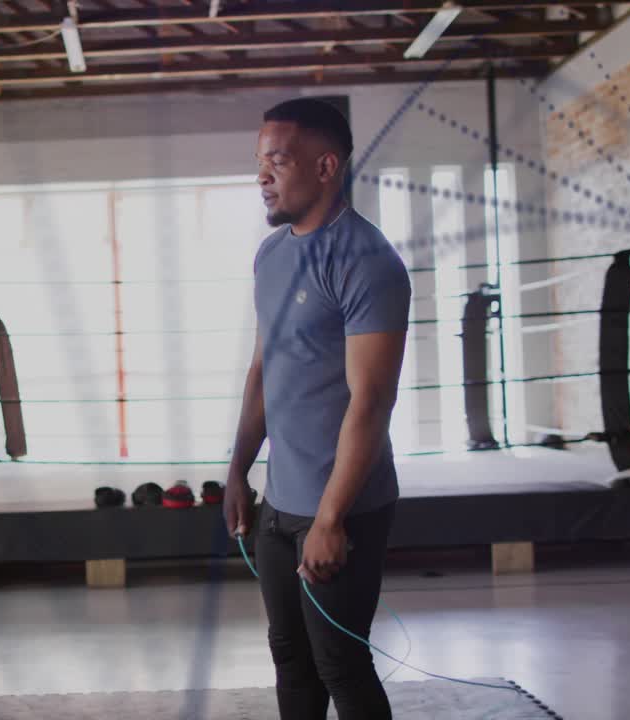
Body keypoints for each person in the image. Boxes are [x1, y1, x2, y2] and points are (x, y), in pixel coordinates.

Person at [223, 98, 411, 719]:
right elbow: (262, 371)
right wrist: (237, 470)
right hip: (279, 506)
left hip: (343, 509)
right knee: (291, 660)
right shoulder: (271, 255)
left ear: (326, 165)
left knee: (341, 665)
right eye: (260, 162)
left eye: (277, 160)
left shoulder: (367, 260)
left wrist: (330, 518)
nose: (262, 176)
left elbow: (372, 400)